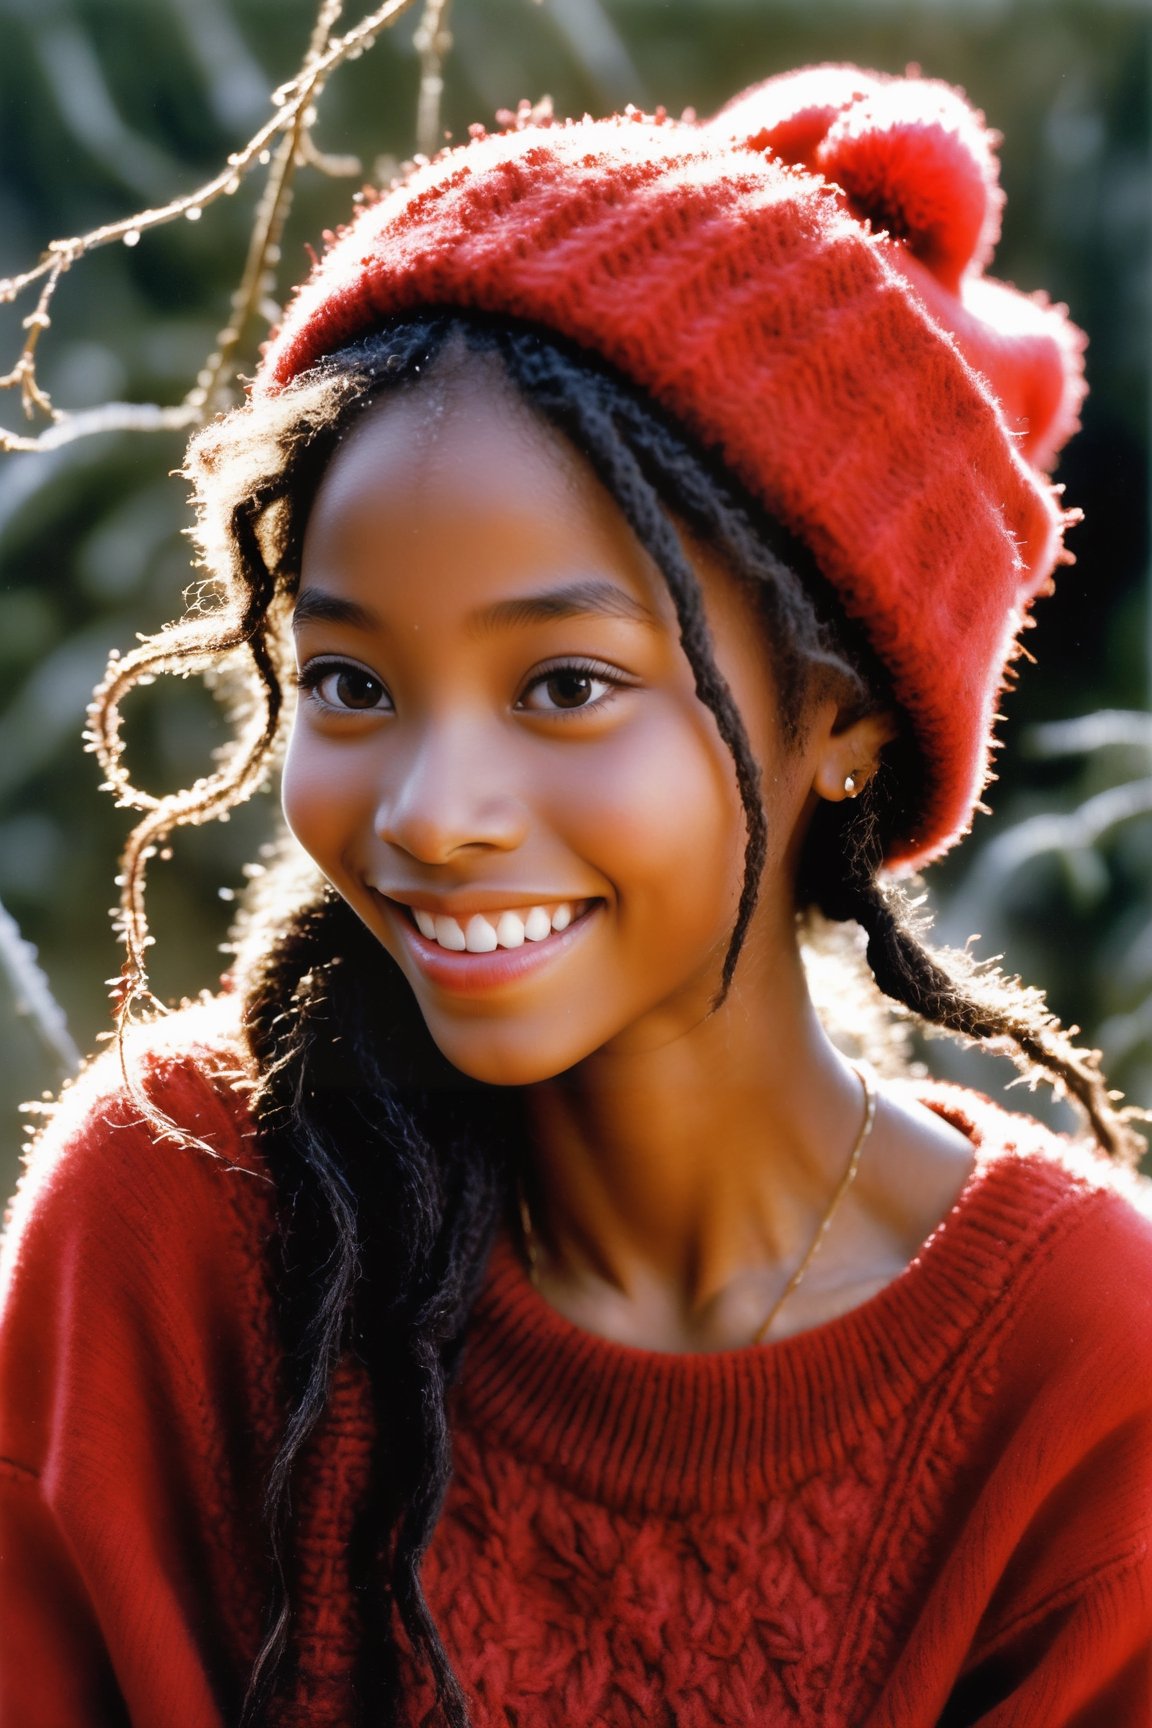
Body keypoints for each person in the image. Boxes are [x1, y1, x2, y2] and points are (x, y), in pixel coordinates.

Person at [1, 59, 1150, 1728]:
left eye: (564, 686)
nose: (429, 813)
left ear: (843, 716)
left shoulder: (1076, 1382)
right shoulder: (180, 1216)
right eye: (351, 682)